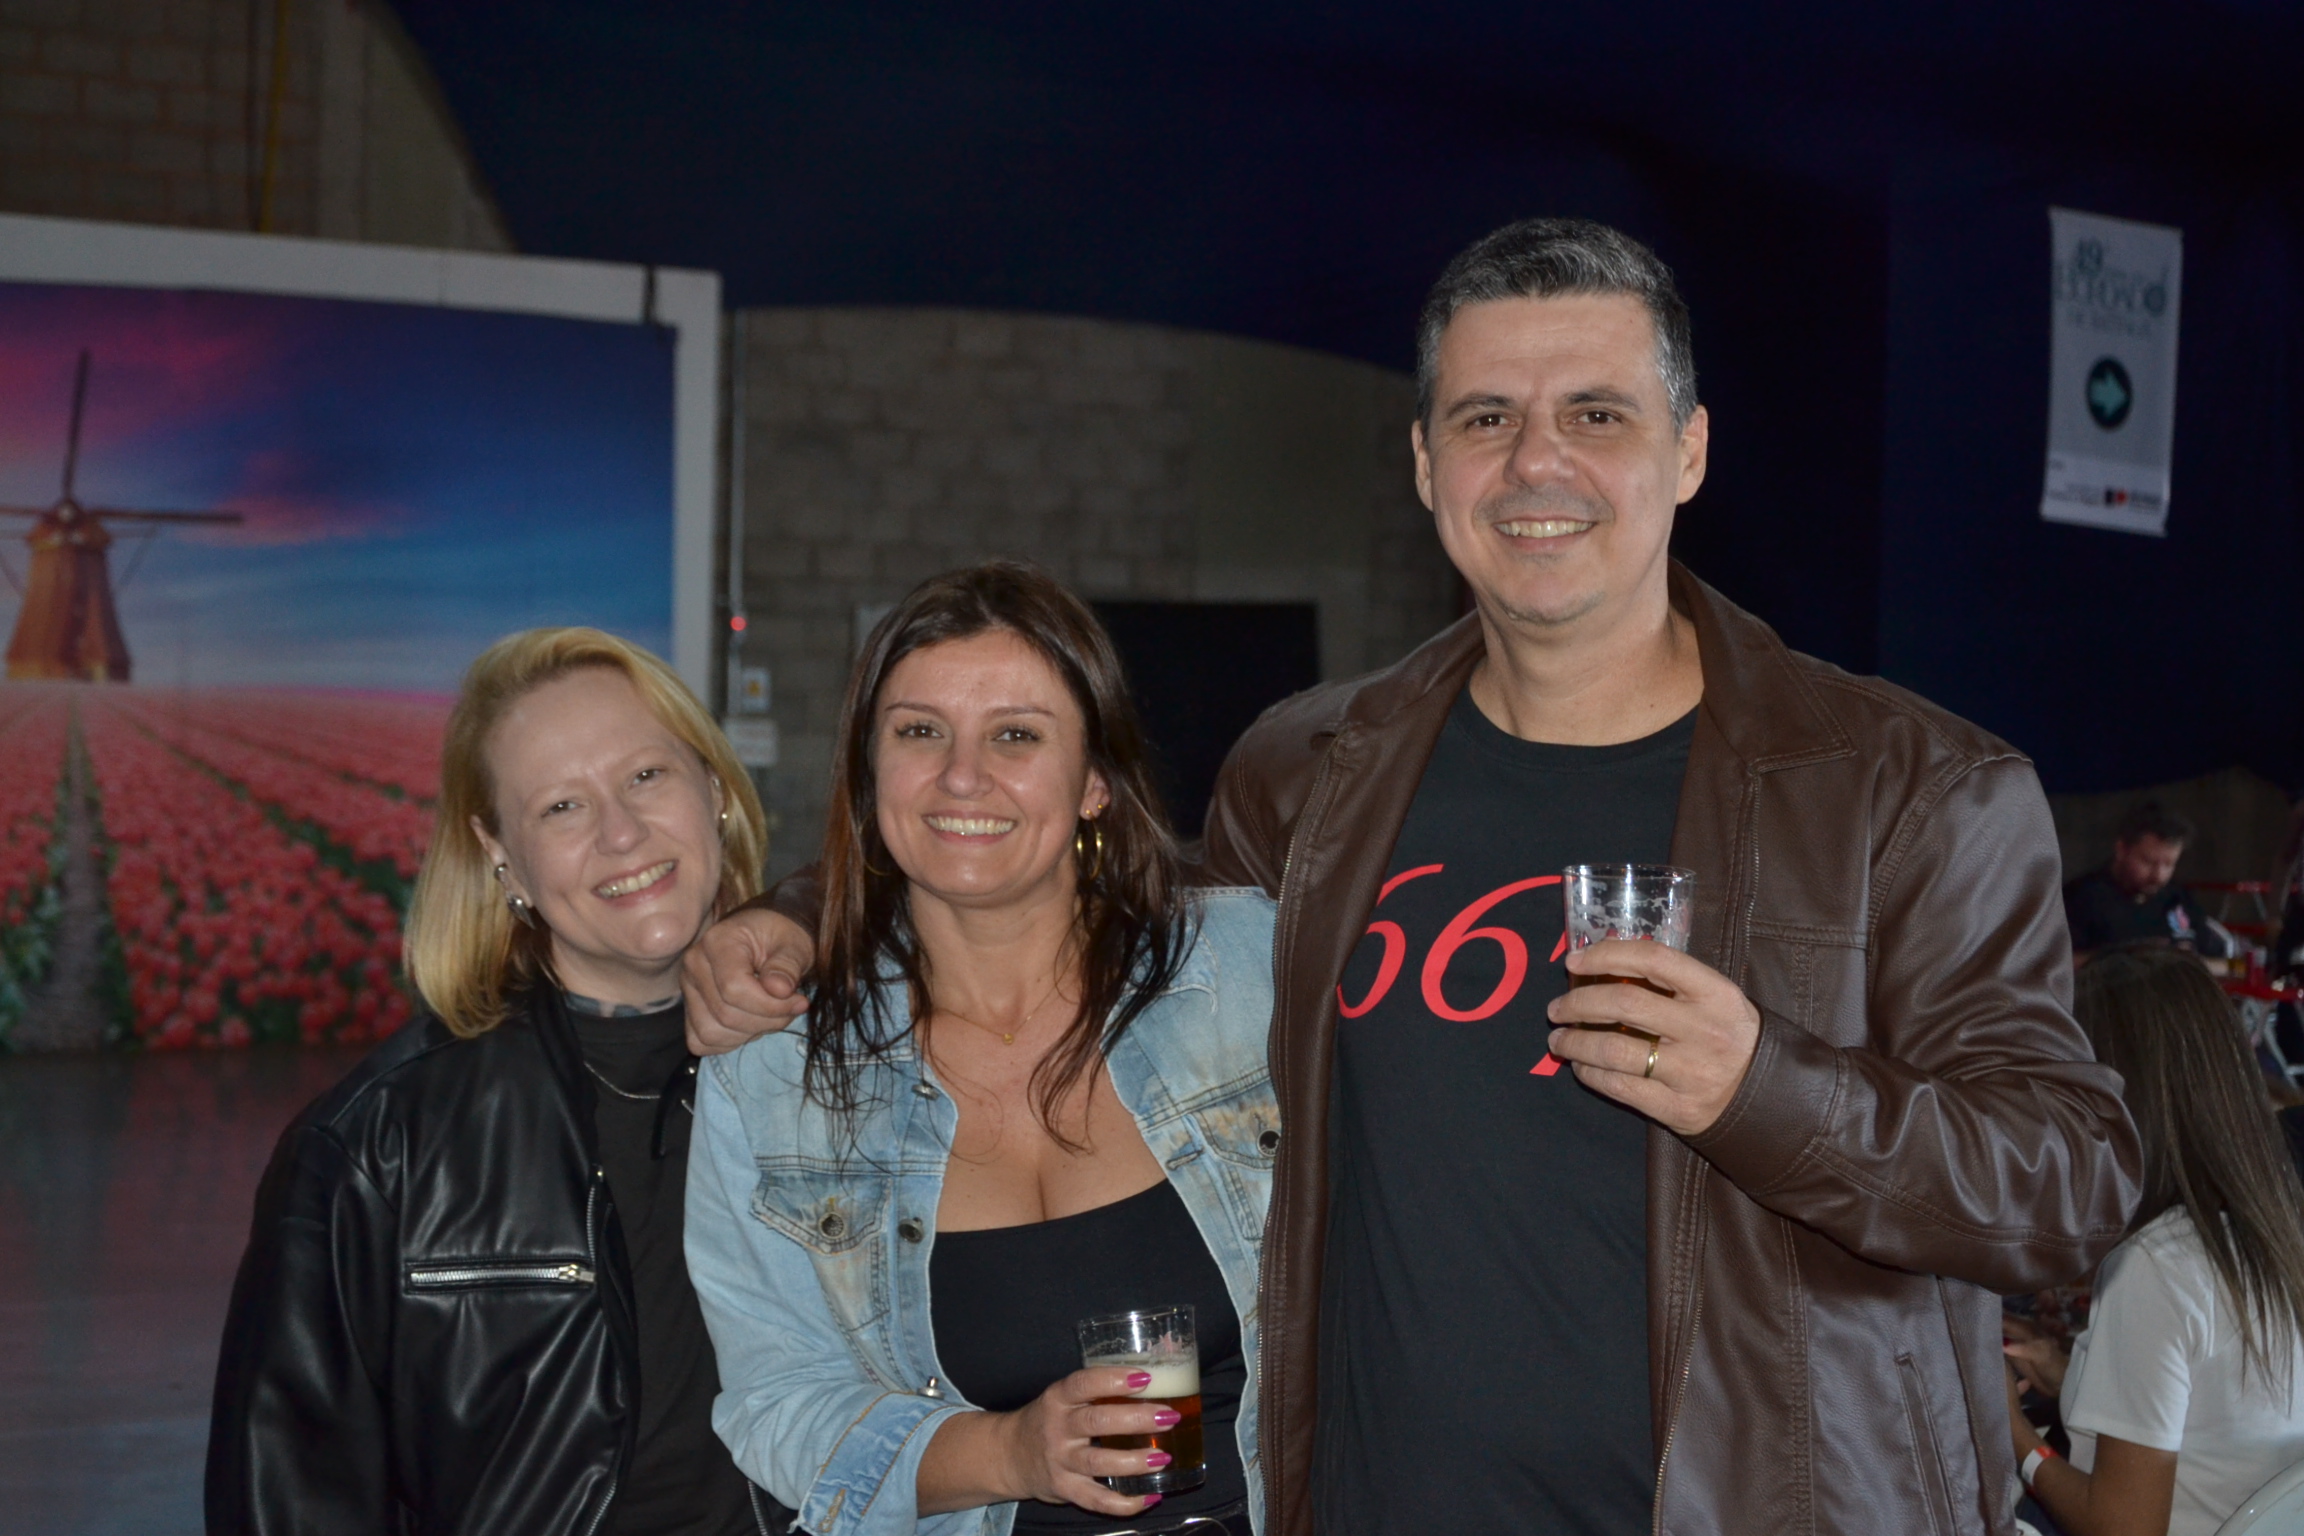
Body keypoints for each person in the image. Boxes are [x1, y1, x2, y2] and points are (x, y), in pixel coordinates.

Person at [686, 219, 2142, 1536]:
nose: (1538, 463)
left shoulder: (1910, 790)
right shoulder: (1314, 772)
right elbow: (1078, 891)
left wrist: (1764, 1089)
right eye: (1486, 418)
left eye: (1597, 414)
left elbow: (2067, 1183)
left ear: (1690, 451)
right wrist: (801, 917)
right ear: (1428, 465)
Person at [684, 563, 1276, 1536]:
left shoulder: (1249, 974)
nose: (963, 776)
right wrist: (1011, 1453)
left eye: (1015, 735)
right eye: (920, 732)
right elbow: (776, 1401)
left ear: (1094, 782)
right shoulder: (773, 1069)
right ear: (869, 776)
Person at [206, 628, 786, 1536]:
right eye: (562, 806)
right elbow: (291, 1498)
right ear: (501, 854)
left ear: (712, 788)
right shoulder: (375, 1146)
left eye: (646, 776)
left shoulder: (837, 1068)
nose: (622, 832)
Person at [2003, 944, 2304, 1536]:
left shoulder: (2156, 1267)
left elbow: (2125, 1528)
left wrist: (2012, 1433)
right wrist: (2073, 1379)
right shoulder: (2274, 1228)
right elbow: (2214, 1422)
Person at [2065, 802, 2232, 961]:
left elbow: (2218, 960)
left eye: (2169, 864)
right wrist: (2127, 958)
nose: (2158, 875)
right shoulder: (2082, 898)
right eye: (2148, 862)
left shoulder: (2178, 897)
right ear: (2121, 849)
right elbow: (2060, 966)